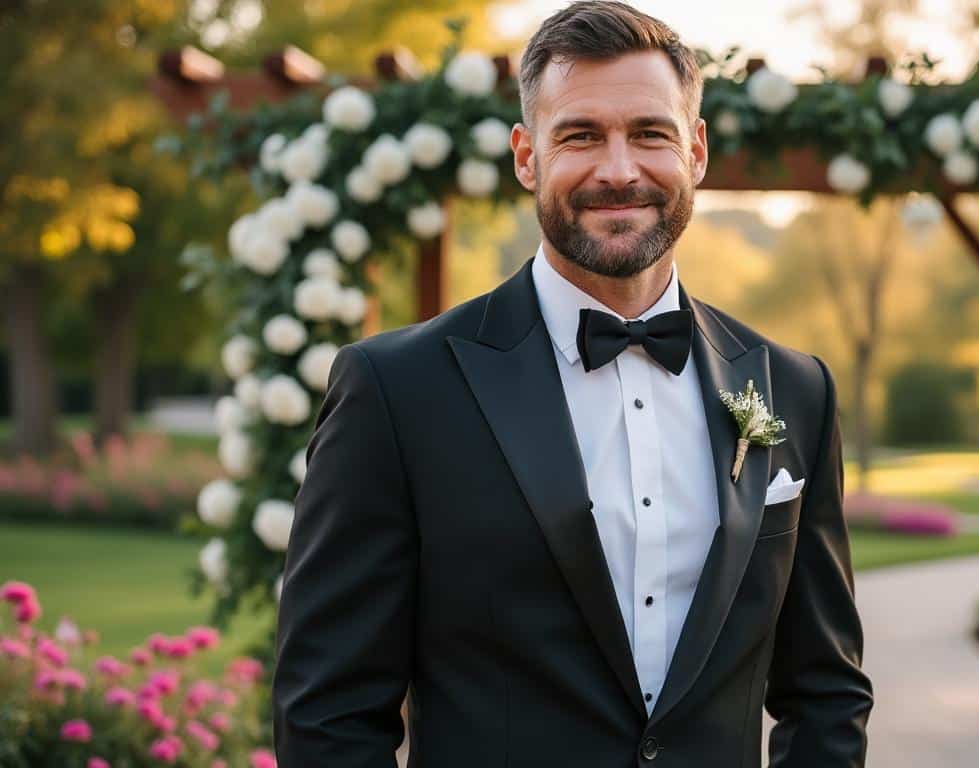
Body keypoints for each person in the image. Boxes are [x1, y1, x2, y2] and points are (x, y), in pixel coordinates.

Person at [271, 2, 873, 765]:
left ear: (695, 151)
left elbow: (826, 692)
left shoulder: (795, 393)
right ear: (528, 156)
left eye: (649, 133)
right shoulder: (395, 391)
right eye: (581, 135)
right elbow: (326, 711)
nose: (618, 170)